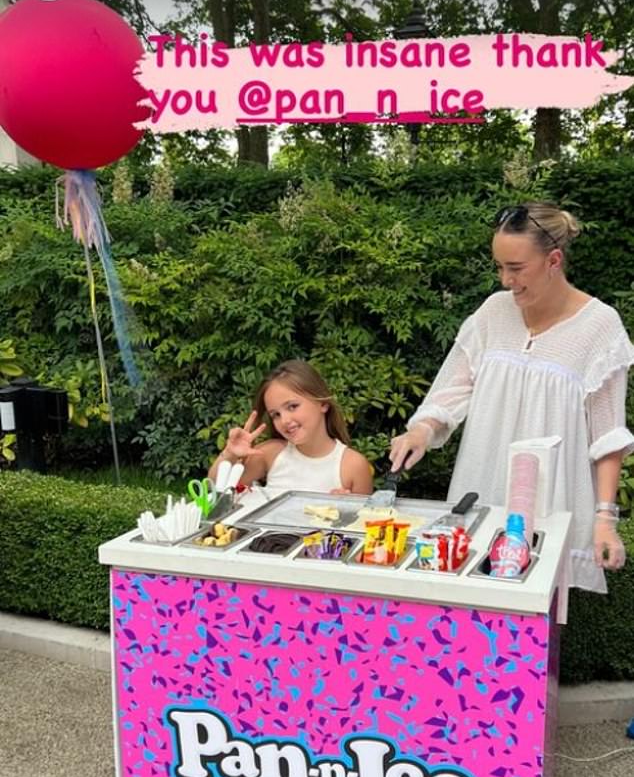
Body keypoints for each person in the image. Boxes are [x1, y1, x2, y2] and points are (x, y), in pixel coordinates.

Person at [390, 202, 634, 599]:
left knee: (535, 632)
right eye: (500, 266)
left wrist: (604, 520)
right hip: (482, 491)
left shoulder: (600, 328)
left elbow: (607, 437)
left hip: (552, 508)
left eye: (516, 268)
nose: (505, 279)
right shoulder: (493, 312)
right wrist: (421, 429)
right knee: (465, 616)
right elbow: (454, 388)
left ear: (553, 259)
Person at [209, 360, 373, 496]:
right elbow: (217, 490)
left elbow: (365, 526)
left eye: (293, 406)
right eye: (276, 415)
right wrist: (229, 454)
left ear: (322, 403)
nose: (285, 420)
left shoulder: (353, 465)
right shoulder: (270, 452)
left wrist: (346, 512)